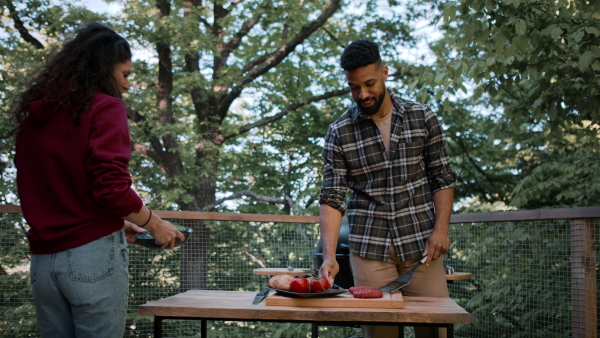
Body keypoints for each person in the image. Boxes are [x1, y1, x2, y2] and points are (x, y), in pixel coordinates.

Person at [11, 23, 185, 337]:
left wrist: (118, 223)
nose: (128, 85)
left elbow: (53, 189)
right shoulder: (106, 107)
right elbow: (112, 189)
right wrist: (154, 224)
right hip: (91, 260)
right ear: (104, 70)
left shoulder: (35, 118)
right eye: (126, 74)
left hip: (41, 263)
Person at [317, 39, 458, 338]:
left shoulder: (422, 117)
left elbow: (442, 177)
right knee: (381, 335)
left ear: (384, 72)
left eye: (369, 84)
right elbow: (332, 197)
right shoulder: (339, 132)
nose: (362, 94)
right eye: (354, 87)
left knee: (435, 332)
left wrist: (441, 230)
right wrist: (329, 256)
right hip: (370, 249)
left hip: (423, 247)